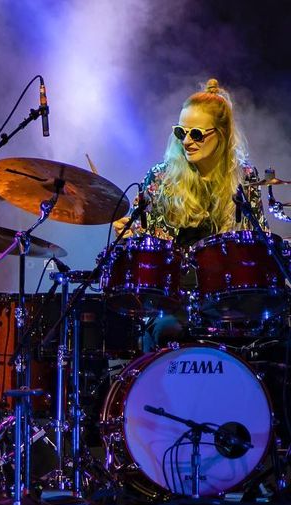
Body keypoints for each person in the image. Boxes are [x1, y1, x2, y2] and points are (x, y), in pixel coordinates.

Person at [113, 78, 270, 348]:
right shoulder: (161, 178)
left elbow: (260, 241)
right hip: (173, 302)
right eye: (180, 132)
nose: (186, 141)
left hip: (229, 300)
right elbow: (146, 251)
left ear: (221, 134)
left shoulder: (245, 178)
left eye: (196, 134)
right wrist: (129, 234)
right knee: (167, 330)